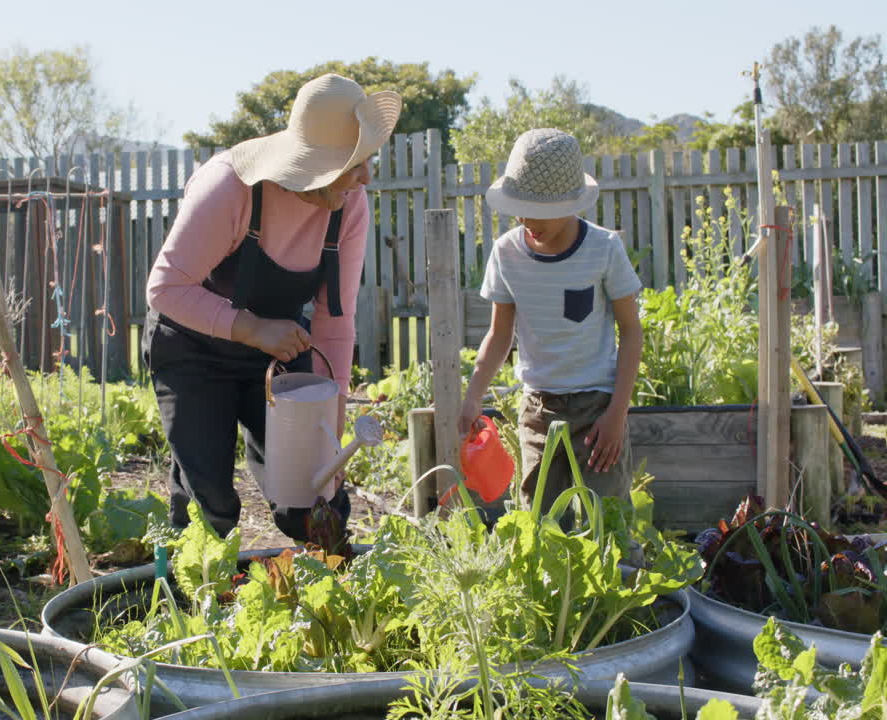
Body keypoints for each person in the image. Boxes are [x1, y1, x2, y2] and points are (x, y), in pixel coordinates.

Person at [143, 73, 402, 542]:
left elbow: (334, 322)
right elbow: (166, 287)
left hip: (278, 350)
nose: (367, 176)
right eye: (356, 163)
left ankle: (331, 579)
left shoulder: (350, 204)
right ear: (316, 164)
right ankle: (200, 585)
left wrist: (331, 433)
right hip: (192, 348)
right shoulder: (230, 188)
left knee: (312, 492)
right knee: (210, 503)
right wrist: (251, 328)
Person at [458, 128, 643, 512]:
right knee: (539, 520)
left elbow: (631, 332)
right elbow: (499, 335)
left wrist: (617, 414)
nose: (526, 218)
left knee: (607, 520)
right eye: (520, 206)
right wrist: (473, 395)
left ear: (571, 203)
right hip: (538, 411)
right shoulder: (506, 252)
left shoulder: (603, 249)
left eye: (539, 209)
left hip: (598, 408)